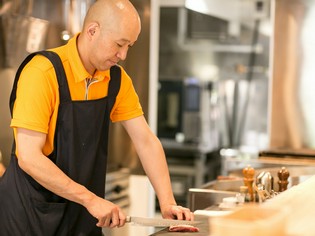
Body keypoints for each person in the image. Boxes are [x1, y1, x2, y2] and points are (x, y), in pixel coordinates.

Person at [0, 0, 194, 235]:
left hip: (80, 219)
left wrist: (167, 202)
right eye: (119, 44)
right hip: (29, 218)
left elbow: (145, 141)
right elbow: (29, 158)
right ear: (92, 31)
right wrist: (90, 200)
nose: (122, 55)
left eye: (129, 46)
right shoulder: (42, 73)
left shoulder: (116, 80)